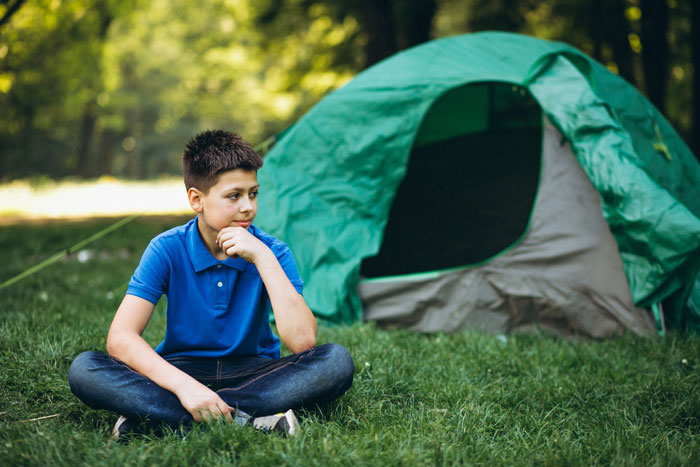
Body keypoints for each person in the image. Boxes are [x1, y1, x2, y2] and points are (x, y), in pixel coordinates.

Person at [68, 130, 354, 439]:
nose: (248, 207)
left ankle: (156, 417)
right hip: (182, 369)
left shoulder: (274, 252)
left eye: (253, 193)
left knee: (336, 361)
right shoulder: (166, 248)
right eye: (234, 196)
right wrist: (185, 387)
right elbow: (121, 338)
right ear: (196, 199)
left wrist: (262, 257)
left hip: (256, 373)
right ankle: (252, 420)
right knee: (86, 369)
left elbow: (302, 343)